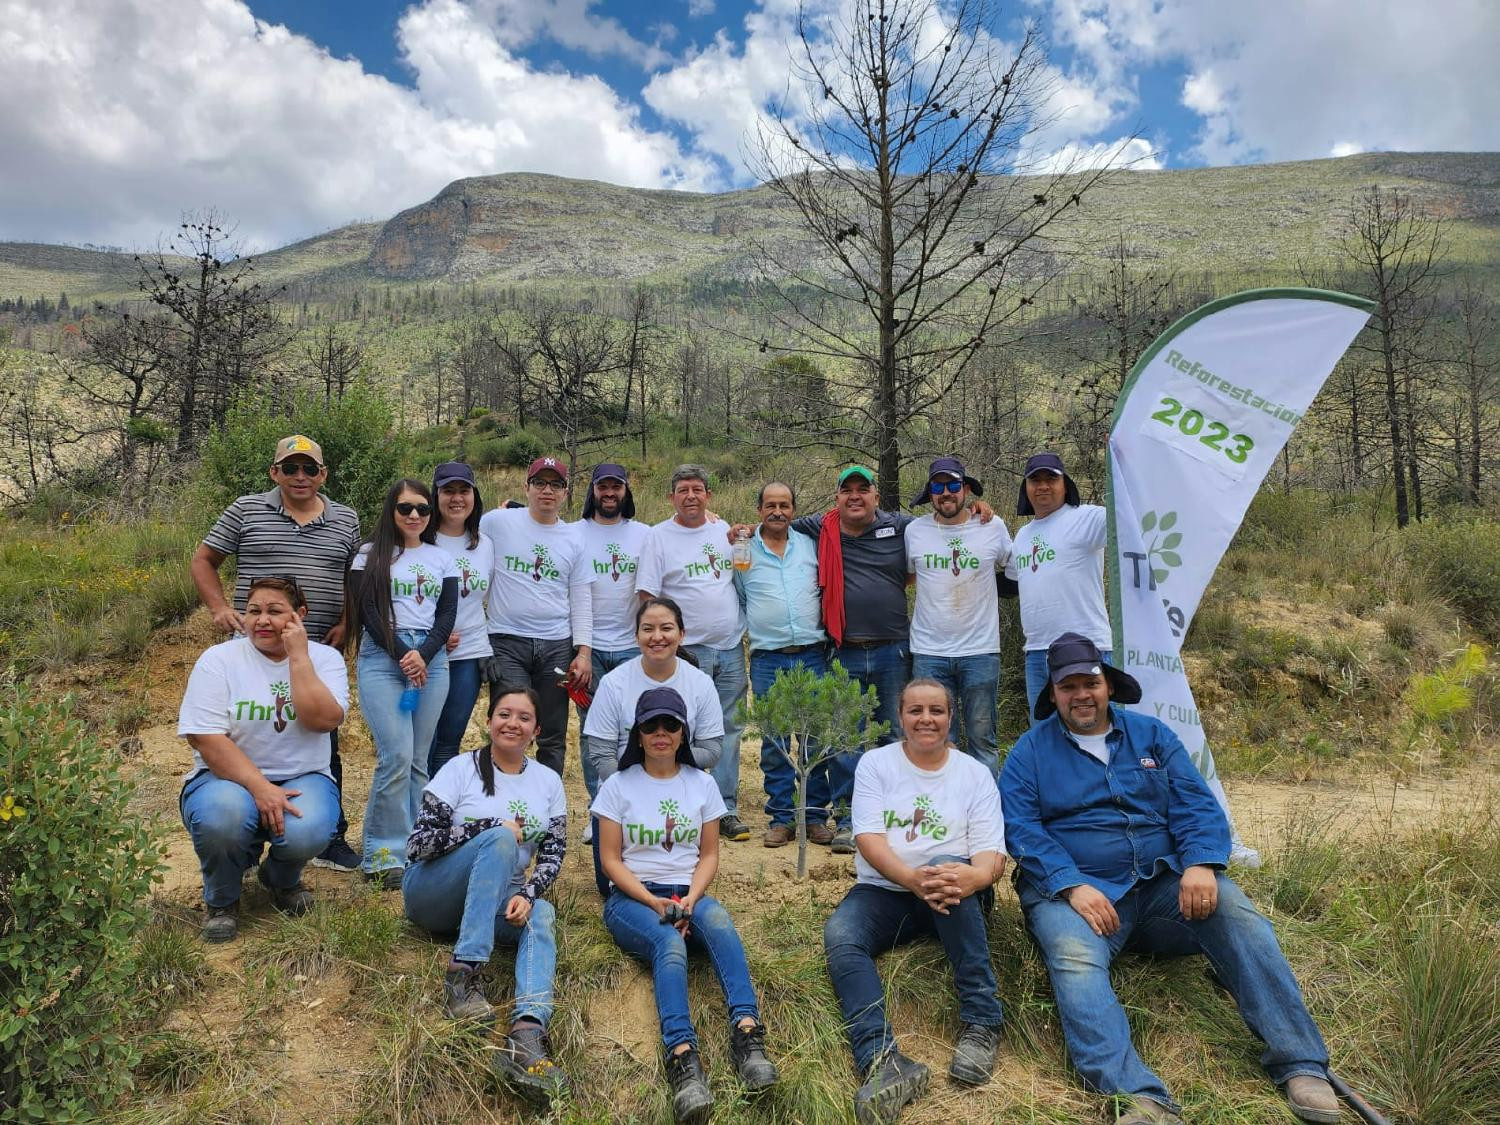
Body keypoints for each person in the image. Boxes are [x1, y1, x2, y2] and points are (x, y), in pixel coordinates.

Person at [999, 634, 1342, 1125]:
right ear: (1052, 694)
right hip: (1078, 898)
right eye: (1067, 685)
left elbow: (1197, 805)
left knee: (1237, 913)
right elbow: (1021, 829)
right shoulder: (1028, 755)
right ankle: (1139, 1098)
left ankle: (1301, 1064)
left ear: (1107, 684)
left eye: (1090, 682)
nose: (1081, 694)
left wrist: (1201, 864)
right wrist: (1071, 883)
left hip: (1164, 890)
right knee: (1073, 958)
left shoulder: (1153, 736)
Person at [823, 679, 1008, 1125]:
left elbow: (992, 856)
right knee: (841, 936)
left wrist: (973, 877)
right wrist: (911, 879)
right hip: (887, 892)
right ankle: (882, 1061)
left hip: (955, 895)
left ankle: (982, 1021)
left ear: (951, 717)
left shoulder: (973, 773)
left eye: (937, 711)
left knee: (947, 866)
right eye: (916, 710)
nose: (926, 719)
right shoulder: (876, 765)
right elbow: (867, 837)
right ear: (900, 716)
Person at [593, 688, 779, 1124]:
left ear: (683, 733)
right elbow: (610, 860)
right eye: (650, 725)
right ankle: (683, 1058)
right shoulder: (617, 786)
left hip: (687, 889)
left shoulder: (702, 784)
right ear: (637, 733)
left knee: (718, 920)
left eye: (670, 725)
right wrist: (653, 901)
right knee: (669, 946)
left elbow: (710, 854)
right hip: (633, 897)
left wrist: (692, 898)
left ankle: (748, 1036)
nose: (661, 733)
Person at [790, 465, 994, 853]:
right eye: (846, 489)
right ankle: (851, 820)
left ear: (875, 496)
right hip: (842, 650)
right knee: (845, 740)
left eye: (862, 489)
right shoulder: (821, 528)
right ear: (836, 498)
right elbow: (775, 522)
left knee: (895, 736)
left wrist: (977, 507)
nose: (855, 496)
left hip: (894, 650)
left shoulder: (903, 527)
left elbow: (941, 524)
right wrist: (732, 530)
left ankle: (897, 816)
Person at [191, 433, 362, 871]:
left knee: (320, 740)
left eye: (309, 468)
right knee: (249, 731)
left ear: (323, 474)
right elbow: (204, 559)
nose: (300, 476)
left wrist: (347, 619)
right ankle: (243, 831)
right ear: (275, 472)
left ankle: (329, 836)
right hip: (255, 645)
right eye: (290, 468)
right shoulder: (246, 509)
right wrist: (218, 607)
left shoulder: (346, 519)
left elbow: (351, 576)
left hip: (317, 649)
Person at [404, 687, 570, 1103]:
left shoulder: (548, 781)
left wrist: (529, 893)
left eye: (524, 718)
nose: (512, 723)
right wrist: (490, 826)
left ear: (536, 730)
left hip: (499, 898)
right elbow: (419, 845)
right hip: (434, 893)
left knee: (543, 915)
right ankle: (463, 974)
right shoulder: (460, 770)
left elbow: (553, 851)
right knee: (500, 839)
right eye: (503, 713)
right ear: (488, 720)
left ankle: (527, 1034)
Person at [178, 576, 348, 942]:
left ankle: (281, 880)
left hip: (303, 775)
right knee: (223, 814)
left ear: (299, 616)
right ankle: (222, 900)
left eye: (275, 611)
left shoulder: (325, 659)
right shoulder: (219, 659)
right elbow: (205, 738)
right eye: (254, 611)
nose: (262, 620)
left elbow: (323, 721)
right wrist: (260, 788)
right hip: (224, 777)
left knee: (311, 828)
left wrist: (299, 658)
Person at [348, 479, 457, 883]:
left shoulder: (440, 558)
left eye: (422, 510)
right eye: (405, 508)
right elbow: (368, 611)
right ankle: (382, 854)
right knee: (394, 756)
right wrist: (402, 654)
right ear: (391, 510)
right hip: (383, 657)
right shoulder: (369, 555)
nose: (414, 516)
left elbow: (447, 615)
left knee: (417, 761)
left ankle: (415, 847)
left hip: (431, 658)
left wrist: (423, 654)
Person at [637, 465, 749, 841]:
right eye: (683, 490)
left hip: (730, 646)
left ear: (708, 496)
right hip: (686, 652)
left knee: (729, 727)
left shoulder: (723, 530)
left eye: (697, 489)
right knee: (680, 729)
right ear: (671, 497)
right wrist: (662, 644)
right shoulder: (658, 537)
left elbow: (742, 572)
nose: (690, 496)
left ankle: (725, 808)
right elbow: (648, 596)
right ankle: (681, 806)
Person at [584, 597, 724, 895]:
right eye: (647, 629)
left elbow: (712, 749)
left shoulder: (700, 684)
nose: (657, 637)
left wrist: (666, 767)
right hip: (623, 803)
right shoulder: (614, 684)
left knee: (683, 889)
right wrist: (640, 786)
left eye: (666, 628)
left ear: (682, 634)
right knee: (609, 890)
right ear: (636, 636)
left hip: (681, 797)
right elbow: (600, 752)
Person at [478, 455, 594, 777]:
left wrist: (583, 652)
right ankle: (501, 801)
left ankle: (548, 811)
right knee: (509, 728)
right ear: (526, 487)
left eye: (555, 484)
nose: (547, 490)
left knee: (552, 733)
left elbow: (581, 598)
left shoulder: (574, 538)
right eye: (540, 483)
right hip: (506, 641)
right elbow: (462, 539)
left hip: (556, 646)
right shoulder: (496, 523)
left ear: (565, 492)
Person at [735, 481, 834, 847]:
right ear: (759, 509)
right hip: (767, 658)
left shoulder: (810, 546)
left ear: (794, 509)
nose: (778, 511)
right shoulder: (743, 549)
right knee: (775, 743)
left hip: (812, 654)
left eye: (785, 505)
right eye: (770, 505)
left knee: (815, 738)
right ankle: (781, 818)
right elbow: (740, 595)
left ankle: (814, 816)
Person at [906, 457, 1013, 776]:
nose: (946, 493)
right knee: (935, 739)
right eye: (938, 487)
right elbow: (906, 577)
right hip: (929, 652)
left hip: (980, 651)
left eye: (953, 485)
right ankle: (943, 816)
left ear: (966, 489)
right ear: (930, 493)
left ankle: (986, 818)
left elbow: (1015, 570)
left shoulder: (992, 526)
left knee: (983, 740)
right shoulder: (915, 530)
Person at [1001, 452, 1112, 727]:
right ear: (1025, 488)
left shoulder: (1088, 518)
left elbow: (1129, 514)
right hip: (1037, 653)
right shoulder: (1023, 535)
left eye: (1051, 478)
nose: (1042, 486)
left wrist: (1122, 457)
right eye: (1034, 479)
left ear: (1065, 484)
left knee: (1095, 730)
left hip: (1086, 647)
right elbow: (1011, 582)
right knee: (1046, 735)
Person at [574, 462, 649, 825]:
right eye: (602, 486)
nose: (608, 493)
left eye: (615, 486)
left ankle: (631, 807)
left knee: (633, 728)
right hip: (585, 650)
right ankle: (598, 810)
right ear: (592, 491)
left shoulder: (644, 534)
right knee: (592, 731)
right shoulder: (575, 533)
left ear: (625, 490)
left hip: (631, 648)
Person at [426, 462, 494, 778]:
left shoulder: (485, 544)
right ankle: (413, 813)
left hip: (467, 656)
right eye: (448, 491)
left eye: (463, 491)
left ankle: (436, 814)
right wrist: (433, 636)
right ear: (435, 495)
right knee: (421, 740)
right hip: (424, 654)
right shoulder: (420, 539)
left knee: (448, 742)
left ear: (474, 496)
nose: (457, 498)